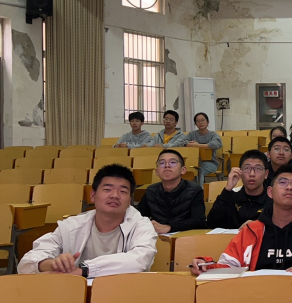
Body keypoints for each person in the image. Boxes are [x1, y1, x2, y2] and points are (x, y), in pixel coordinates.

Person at [18, 165, 157, 277]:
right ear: (93, 195)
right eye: (107, 189)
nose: (115, 195)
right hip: (74, 293)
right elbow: (26, 263)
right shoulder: (72, 225)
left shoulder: (141, 225)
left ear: (130, 200)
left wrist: (83, 270)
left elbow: (140, 260)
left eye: (123, 191)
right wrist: (51, 264)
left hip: (123, 293)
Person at [191, 165, 292, 274]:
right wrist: (206, 264)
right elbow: (229, 267)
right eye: (282, 182)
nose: (289, 187)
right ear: (270, 192)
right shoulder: (251, 230)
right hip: (255, 294)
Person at [137, 149, 206, 233]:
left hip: (185, 236)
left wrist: (169, 227)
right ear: (156, 172)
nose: (167, 166)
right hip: (157, 237)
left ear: (183, 170)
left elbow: (199, 222)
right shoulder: (151, 191)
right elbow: (139, 218)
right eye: (162, 163)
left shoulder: (194, 190)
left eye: (173, 162)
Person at [206, 150, 271, 230]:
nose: (252, 174)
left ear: (266, 174)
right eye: (247, 168)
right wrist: (227, 190)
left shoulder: (273, 200)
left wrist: (258, 225)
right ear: (240, 172)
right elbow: (211, 224)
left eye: (258, 169)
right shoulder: (231, 197)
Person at [185, 112, 223, 184]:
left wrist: (198, 145)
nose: (200, 123)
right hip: (194, 161)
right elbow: (182, 141)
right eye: (198, 121)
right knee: (189, 169)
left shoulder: (213, 135)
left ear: (207, 122)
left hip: (211, 163)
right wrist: (188, 144)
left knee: (199, 170)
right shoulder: (192, 134)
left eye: (202, 120)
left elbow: (217, 144)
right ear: (195, 124)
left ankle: (199, 190)